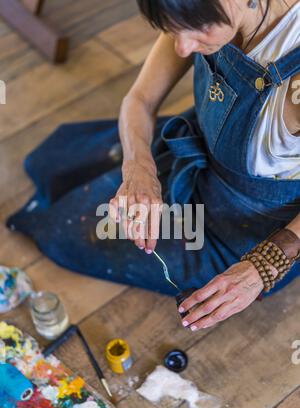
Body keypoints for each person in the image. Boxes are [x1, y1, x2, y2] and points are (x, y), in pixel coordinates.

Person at [8, 0, 300, 332]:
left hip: (242, 226)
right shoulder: (198, 12)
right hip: (199, 151)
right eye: (176, 29)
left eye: (197, 30)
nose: (183, 47)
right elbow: (139, 100)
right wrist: (138, 170)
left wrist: (264, 264)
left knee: (73, 232)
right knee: (54, 162)